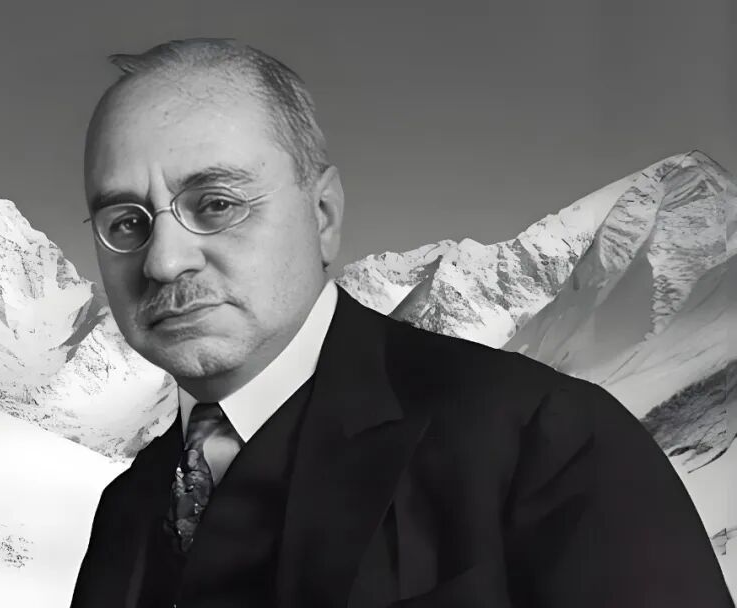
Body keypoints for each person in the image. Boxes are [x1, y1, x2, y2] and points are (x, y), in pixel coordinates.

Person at [69, 38, 732, 608]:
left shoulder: (551, 445)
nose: (163, 260)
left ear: (323, 215)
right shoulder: (125, 510)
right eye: (125, 223)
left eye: (216, 204)